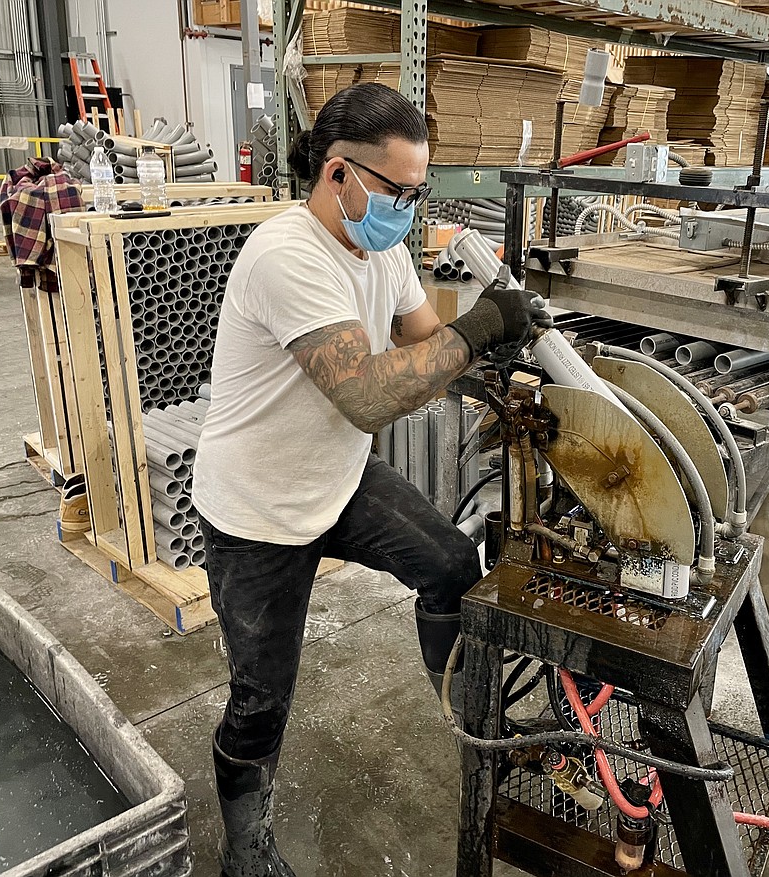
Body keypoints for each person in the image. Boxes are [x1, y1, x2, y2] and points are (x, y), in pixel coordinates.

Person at [192, 82, 550, 877]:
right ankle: (243, 848)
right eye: (398, 191)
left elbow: (426, 345)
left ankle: (465, 716)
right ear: (339, 175)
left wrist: (508, 363)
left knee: (454, 566)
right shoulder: (286, 254)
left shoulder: (380, 247)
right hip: (259, 506)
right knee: (262, 698)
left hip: (338, 478)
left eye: (420, 193)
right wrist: (480, 325)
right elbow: (370, 394)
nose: (410, 211)